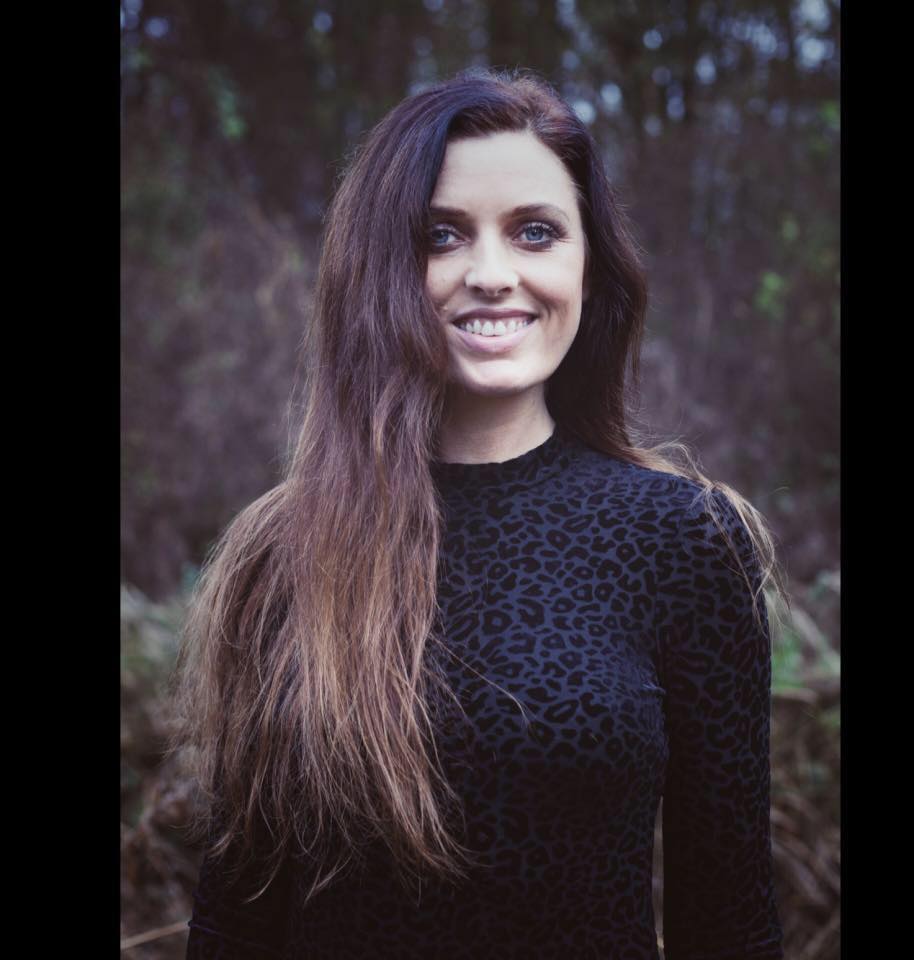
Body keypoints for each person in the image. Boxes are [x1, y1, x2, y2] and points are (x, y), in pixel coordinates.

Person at [172, 67, 787, 959]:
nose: (492, 275)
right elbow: (234, 921)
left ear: (589, 266)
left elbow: (729, 923)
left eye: (536, 231)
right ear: (380, 270)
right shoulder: (283, 548)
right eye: (442, 235)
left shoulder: (685, 537)